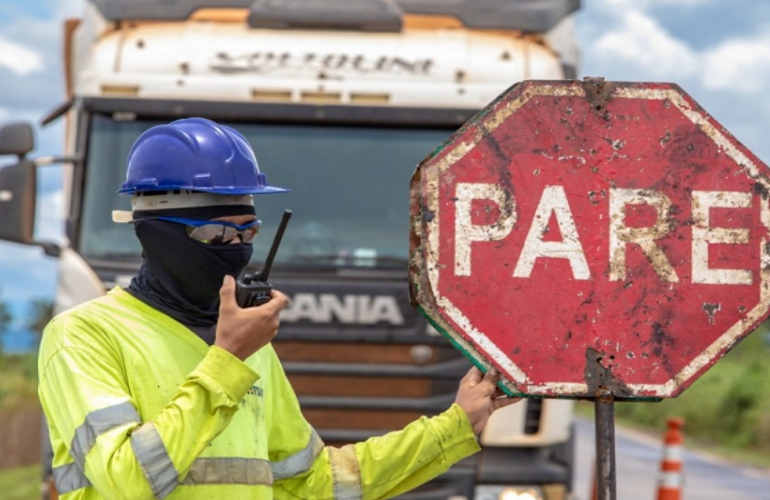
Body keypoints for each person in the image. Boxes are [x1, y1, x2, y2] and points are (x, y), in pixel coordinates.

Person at [37, 117, 520, 499]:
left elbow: (316, 482)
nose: (238, 248)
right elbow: (130, 479)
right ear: (154, 233)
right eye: (219, 235)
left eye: (249, 232)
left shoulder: (249, 347)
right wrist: (225, 363)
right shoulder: (84, 335)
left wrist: (456, 425)